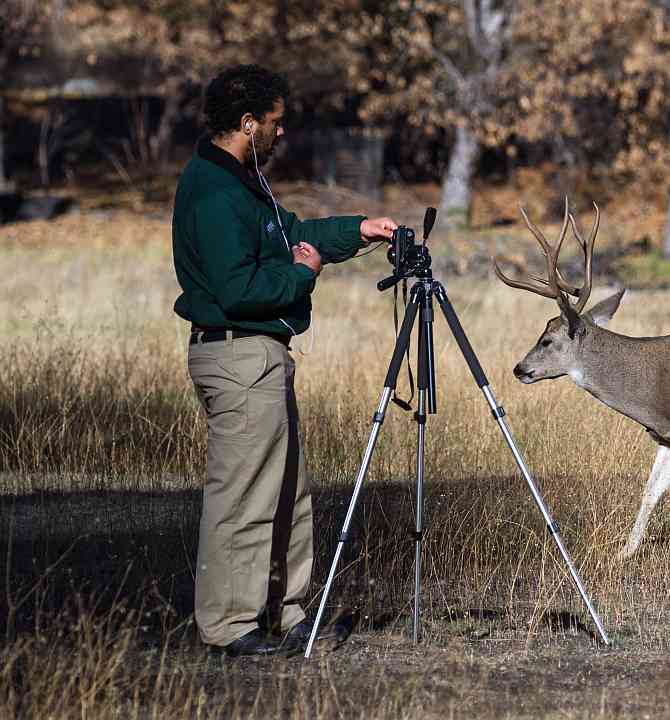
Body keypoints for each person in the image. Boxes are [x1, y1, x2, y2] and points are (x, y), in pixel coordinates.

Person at [171, 64, 398, 656]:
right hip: (238, 355)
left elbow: (293, 232)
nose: (281, 134)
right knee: (243, 495)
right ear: (248, 124)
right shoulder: (214, 191)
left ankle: (287, 612)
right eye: (274, 123)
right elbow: (239, 288)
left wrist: (358, 230)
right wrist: (302, 274)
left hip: (262, 358)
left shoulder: (243, 182)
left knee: (286, 490)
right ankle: (229, 625)